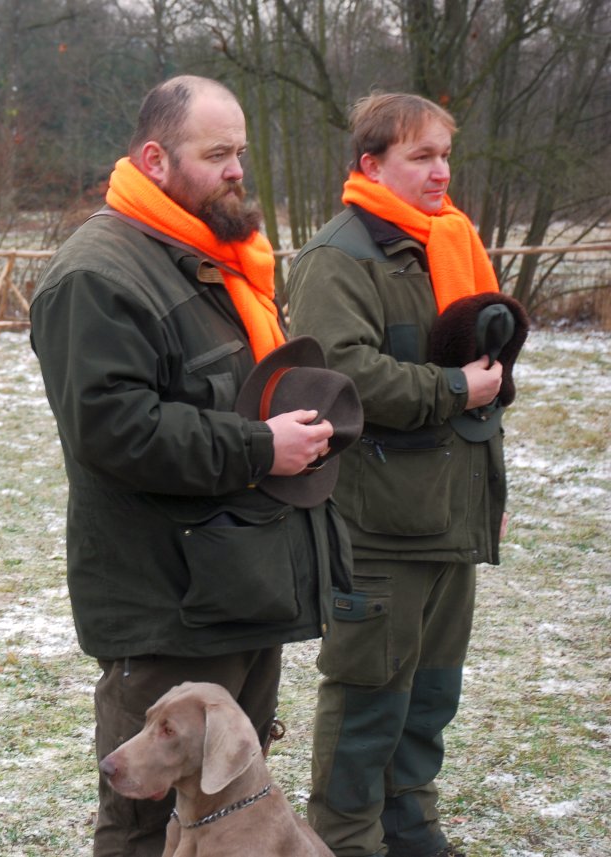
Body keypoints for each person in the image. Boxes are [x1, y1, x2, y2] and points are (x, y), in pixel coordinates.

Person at [29, 75, 351, 857]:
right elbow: (115, 430)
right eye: (216, 154)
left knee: (232, 808)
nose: (237, 170)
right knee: (146, 827)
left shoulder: (217, 259)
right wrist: (261, 446)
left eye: (240, 152)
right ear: (155, 159)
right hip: (168, 602)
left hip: (242, 587)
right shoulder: (98, 274)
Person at [284, 92, 508, 857]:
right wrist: (450, 388)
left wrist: (488, 492)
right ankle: (347, 840)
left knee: (433, 692)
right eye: (421, 156)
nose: (441, 171)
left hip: (449, 515)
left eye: (445, 155)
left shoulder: (450, 243)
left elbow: (487, 385)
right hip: (377, 523)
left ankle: (411, 828)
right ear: (371, 165)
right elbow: (340, 374)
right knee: (368, 695)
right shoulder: (337, 257)